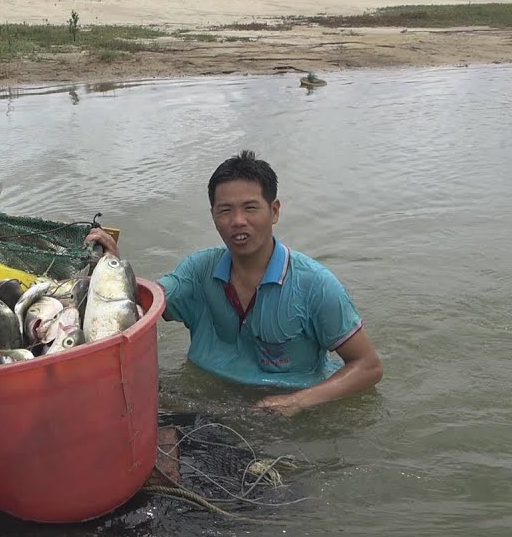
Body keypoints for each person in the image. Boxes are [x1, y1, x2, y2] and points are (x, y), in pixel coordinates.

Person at [85, 150, 383, 417]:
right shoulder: (199, 270)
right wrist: (111, 267)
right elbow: (147, 302)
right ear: (213, 215)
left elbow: (368, 367)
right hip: (205, 402)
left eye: (250, 208)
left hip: (285, 418)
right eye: (225, 210)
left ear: (274, 211)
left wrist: (299, 401)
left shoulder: (315, 285)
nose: (237, 220)